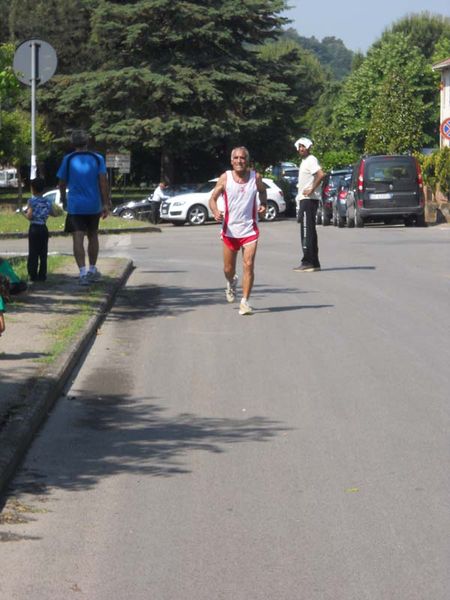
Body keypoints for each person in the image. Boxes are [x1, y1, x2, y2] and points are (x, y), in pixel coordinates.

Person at [209, 146, 267, 315]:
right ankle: (231, 281)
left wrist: (263, 205)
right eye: (236, 158)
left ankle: (245, 301)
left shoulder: (255, 177)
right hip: (230, 231)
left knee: (248, 265)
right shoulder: (225, 178)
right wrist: (215, 211)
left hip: (250, 229)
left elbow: (263, 192)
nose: (239, 161)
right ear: (231, 161)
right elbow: (212, 199)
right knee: (228, 269)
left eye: (242, 158)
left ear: (247, 160)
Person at [57, 129, 111, 285]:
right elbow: (103, 182)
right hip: (94, 205)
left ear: (72, 143)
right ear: (87, 142)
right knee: (93, 235)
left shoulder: (68, 159)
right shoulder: (97, 158)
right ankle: (92, 269)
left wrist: (63, 198)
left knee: (77, 237)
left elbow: (61, 182)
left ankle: (82, 273)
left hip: (75, 205)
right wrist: (105, 203)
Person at [293, 136, 325, 272]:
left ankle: (307, 262)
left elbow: (321, 174)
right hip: (305, 200)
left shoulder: (311, 160)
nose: (301, 149)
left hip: (308, 199)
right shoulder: (305, 161)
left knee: (306, 231)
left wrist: (312, 188)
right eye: (299, 147)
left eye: (303, 146)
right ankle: (314, 262)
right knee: (310, 230)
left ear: (309, 147)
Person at [26, 177, 54, 282]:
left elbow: (29, 215)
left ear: (33, 189)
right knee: (43, 252)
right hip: (43, 227)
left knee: (33, 252)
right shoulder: (48, 201)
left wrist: (26, 214)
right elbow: (52, 213)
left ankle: (33, 274)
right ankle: (42, 275)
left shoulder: (31, 201)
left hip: (34, 228)